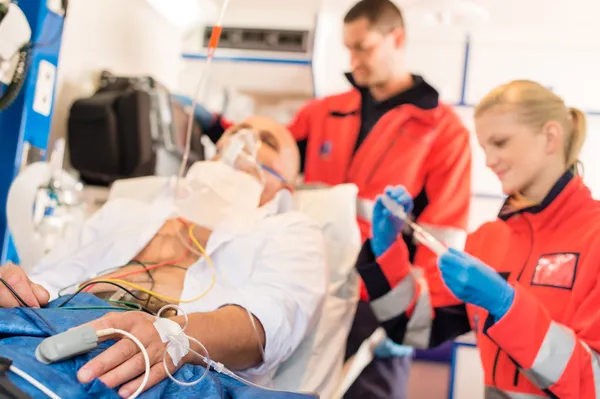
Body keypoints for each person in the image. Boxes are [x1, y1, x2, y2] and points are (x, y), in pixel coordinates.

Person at [194, 1, 472, 396]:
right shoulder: (325, 112)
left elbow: (441, 242)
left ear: (398, 38)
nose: (354, 60)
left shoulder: (443, 133)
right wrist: (217, 126)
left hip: (377, 303)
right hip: (308, 279)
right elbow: (271, 155)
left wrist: (407, 320)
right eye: (348, 49)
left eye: (364, 47)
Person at [0, 116, 327, 397]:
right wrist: (17, 287)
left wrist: (173, 336)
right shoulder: (126, 213)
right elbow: (50, 279)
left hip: (161, 368)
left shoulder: (291, 231)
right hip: (51, 326)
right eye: (236, 131)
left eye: (266, 141)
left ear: (287, 188)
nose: (243, 142)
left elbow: (267, 324)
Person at [359, 79, 600, 398]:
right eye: (485, 148)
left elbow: (594, 381)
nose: (488, 161)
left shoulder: (594, 235)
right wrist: (386, 252)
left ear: (550, 137)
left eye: (500, 143)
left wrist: (509, 308)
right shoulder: (487, 241)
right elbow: (417, 326)